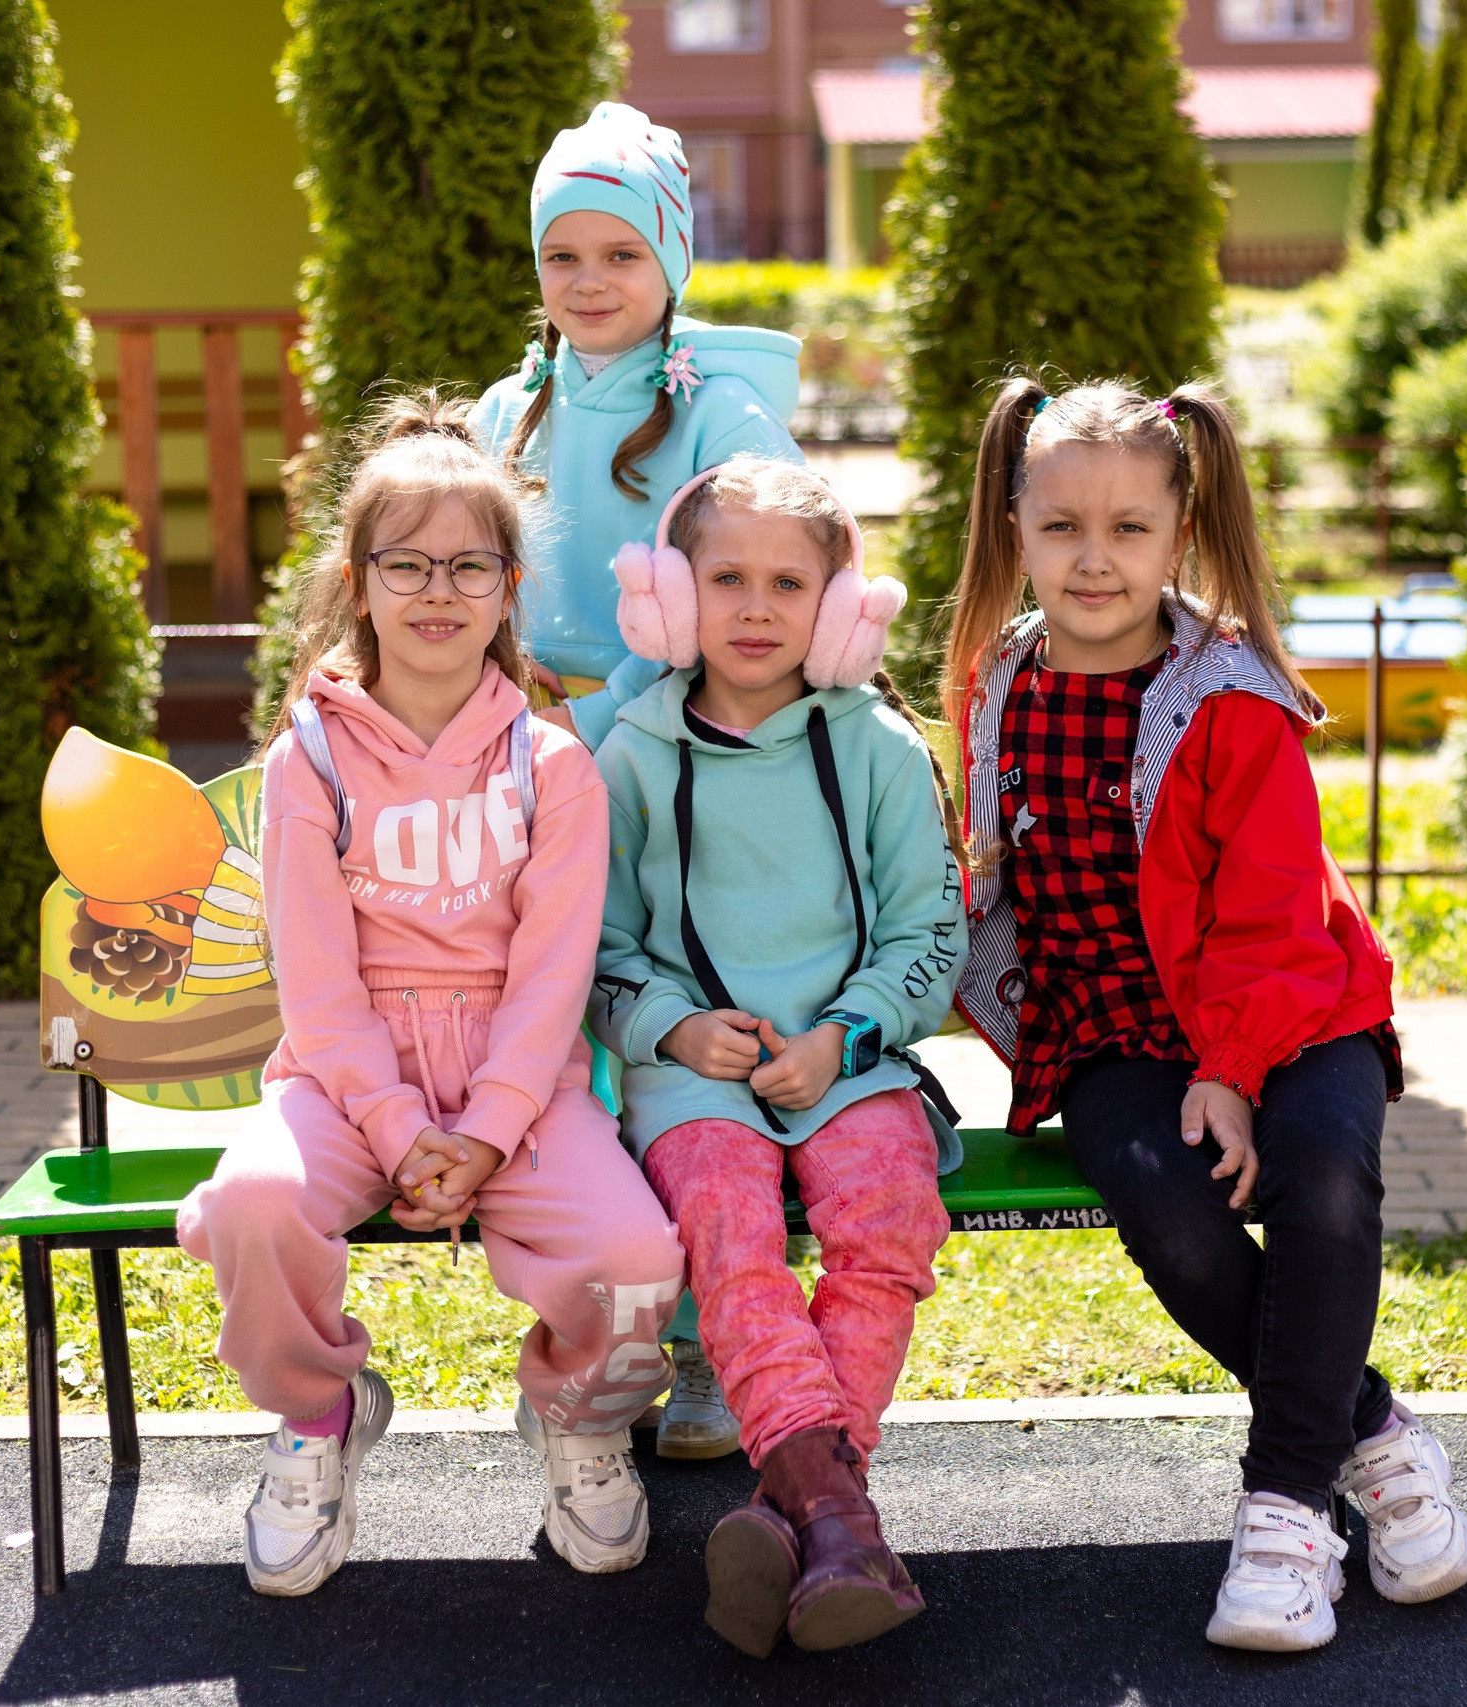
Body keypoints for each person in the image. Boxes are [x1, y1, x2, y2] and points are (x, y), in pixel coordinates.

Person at [939, 377, 1467, 1653]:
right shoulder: (997, 685)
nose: (1093, 557)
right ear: (1014, 524)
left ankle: (1287, 1511)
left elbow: (1272, 912)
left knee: (1323, 1182)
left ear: (1179, 535)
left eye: (1130, 528)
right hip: (1116, 1029)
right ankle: (1374, 1438)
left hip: (1294, 1006)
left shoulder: (1226, 697)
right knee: (1173, 1217)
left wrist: (1233, 1066)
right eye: (1062, 524)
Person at [176, 392, 687, 1597]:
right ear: (358, 582)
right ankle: (318, 1418)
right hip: (350, 1088)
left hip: (518, 1090)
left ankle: (573, 1413)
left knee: (633, 1254)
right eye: (405, 564)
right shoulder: (308, 758)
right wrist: (402, 1130)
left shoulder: (552, 765)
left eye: (469, 565)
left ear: (511, 586)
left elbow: (554, 977)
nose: (437, 592)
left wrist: (489, 1128)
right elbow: (317, 980)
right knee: (254, 1203)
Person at [471, 101, 808, 1457]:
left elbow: (761, 598)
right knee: (561, 1066)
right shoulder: (512, 406)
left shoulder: (720, 410)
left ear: (674, 257)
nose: (591, 282)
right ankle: (600, 1327)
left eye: (621, 251)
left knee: (686, 1058)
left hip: (676, 773)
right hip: (530, 781)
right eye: (566, 255)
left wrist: (611, 707)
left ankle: (717, 1340)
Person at [587, 457, 967, 1656]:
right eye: (727, 578)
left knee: (890, 1216)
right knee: (728, 1231)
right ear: (667, 596)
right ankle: (842, 1523)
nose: (757, 608)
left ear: (841, 606)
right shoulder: (632, 757)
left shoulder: (883, 751)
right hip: (691, 1073)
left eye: (790, 583)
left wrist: (844, 1034)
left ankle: (796, 1510)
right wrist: (672, 1026)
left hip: (848, 1059)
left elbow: (931, 933)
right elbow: (593, 955)